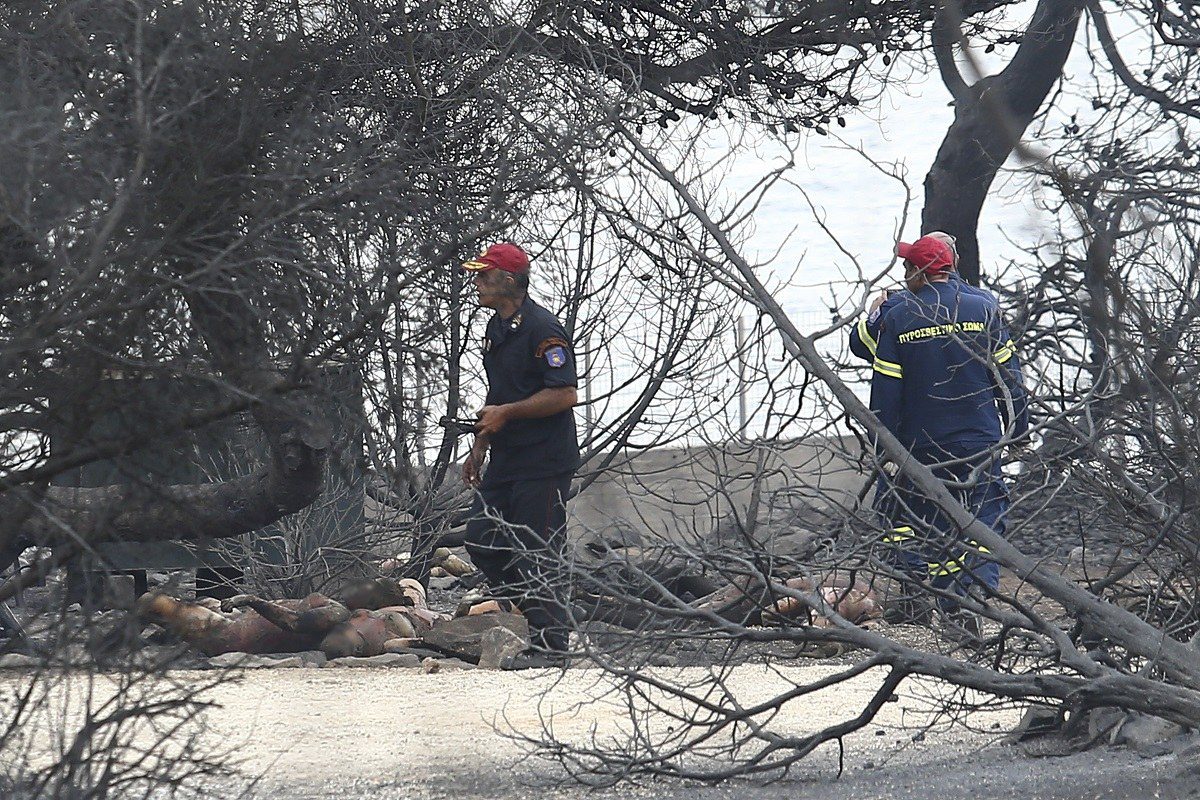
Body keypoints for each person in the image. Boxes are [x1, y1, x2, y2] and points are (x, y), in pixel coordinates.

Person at [866, 234, 1030, 637]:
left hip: (921, 444)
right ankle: (968, 602)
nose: (904, 274)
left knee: (916, 518)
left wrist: (882, 442)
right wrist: (1020, 425)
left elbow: (885, 384)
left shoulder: (899, 312)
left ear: (920, 271)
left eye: (908, 267)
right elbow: (1009, 374)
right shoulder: (984, 305)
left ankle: (927, 598)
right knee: (981, 521)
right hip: (980, 439)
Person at [459, 242, 580, 669]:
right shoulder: (496, 328)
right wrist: (480, 444)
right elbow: (500, 394)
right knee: (482, 541)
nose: (476, 283)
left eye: (483, 275)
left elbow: (564, 392)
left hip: (544, 462)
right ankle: (539, 616)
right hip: (507, 459)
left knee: (539, 550)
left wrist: (507, 414)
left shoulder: (543, 330)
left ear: (508, 280)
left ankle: (552, 647)